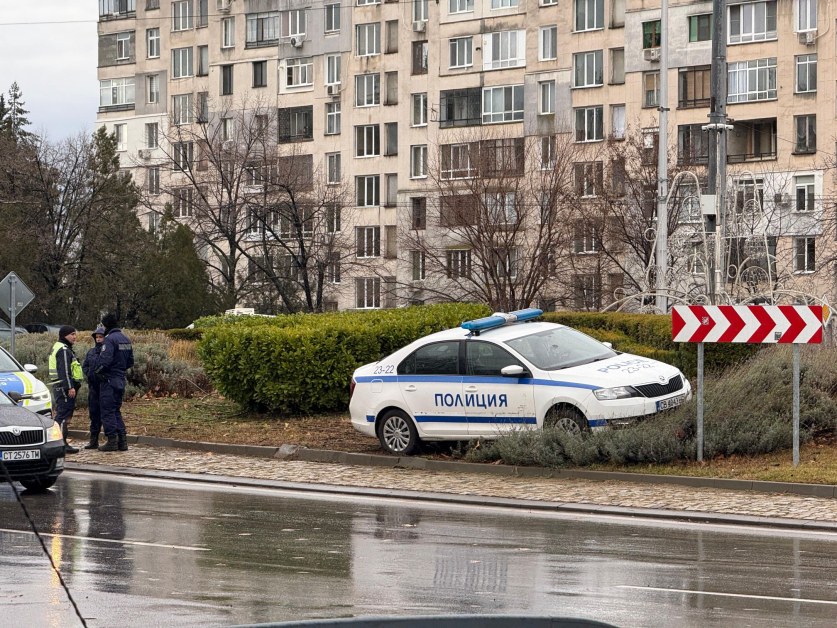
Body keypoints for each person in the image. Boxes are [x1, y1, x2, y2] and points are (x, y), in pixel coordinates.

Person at [94, 313, 134, 452]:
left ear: (106, 326)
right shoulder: (125, 339)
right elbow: (130, 361)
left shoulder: (109, 340)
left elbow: (105, 361)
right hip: (120, 379)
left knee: (107, 411)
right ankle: (122, 441)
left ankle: (112, 440)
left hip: (109, 380)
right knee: (116, 410)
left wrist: (97, 371)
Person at [48, 325, 83, 454]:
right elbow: (64, 371)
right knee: (63, 415)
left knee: (63, 414)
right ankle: (60, 443)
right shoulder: (63, 349)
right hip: (63, 387)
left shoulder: (61, 347)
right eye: (72, 334)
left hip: (60, 385)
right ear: (64, 335)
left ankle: (60, 443)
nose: (75, 337)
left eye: (75, 334)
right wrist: (70, 387)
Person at [81, 326, 106, 450]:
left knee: (106, 414)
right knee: (94, 414)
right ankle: (93, 440)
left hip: (104, 386)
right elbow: (85, 365)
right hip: (93, 387)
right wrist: (89, 374)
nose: (98, 339)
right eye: (97, 337)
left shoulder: (107, 351)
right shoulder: (91, 352)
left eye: (101, 337)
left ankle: (112, 438)